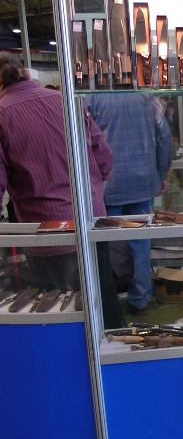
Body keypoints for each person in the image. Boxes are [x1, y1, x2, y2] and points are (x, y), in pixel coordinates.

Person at [0, 51, 123, 327]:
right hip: (91, 222)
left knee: (60, 313)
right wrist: (90, 190)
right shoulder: (65, 101)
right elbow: (104, 159)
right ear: (25, 73)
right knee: (103, 300)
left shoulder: (3, 114)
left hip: (48, 231)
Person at [85, 92, 172, 315]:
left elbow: (84, 142)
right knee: (141, 245)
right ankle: (140, 300)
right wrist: (162, 172)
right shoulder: (147, 98)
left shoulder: (91, 99)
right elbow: (164, 135)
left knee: (105, 246)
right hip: (143, 183)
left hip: (108, 186)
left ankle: (106, 302)